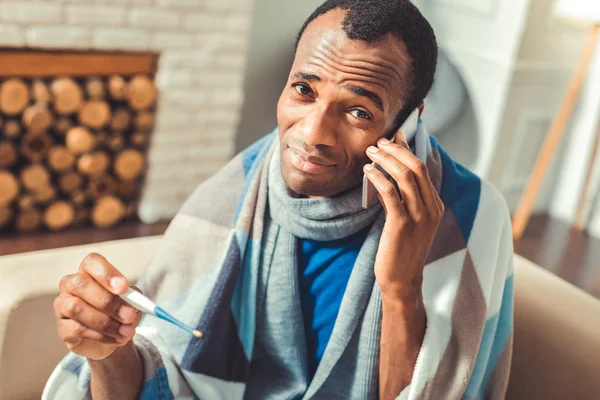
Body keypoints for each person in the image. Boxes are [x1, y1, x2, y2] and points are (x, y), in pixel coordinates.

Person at [44, 1, 514, 399]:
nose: (312, 134)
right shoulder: (239, 185)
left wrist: (400, 286)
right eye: (304, 90)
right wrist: (108, 349)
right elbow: (158, 378)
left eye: (358, 110)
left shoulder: (471, 215)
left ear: (407, 122)